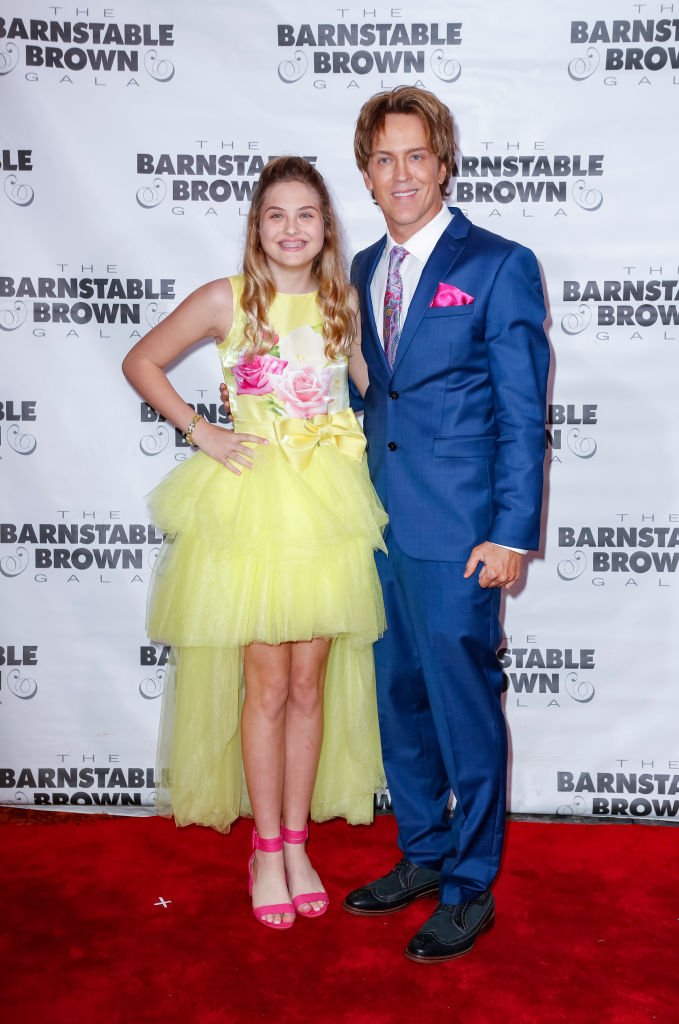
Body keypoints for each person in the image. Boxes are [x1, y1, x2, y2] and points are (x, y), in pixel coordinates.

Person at [122, 156, 387, 930]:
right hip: (255, 513)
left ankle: (299, 843)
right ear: (255, 226)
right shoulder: (225, 300)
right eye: (276, 214)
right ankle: (265, 850)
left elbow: (378, 387)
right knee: (265, 688)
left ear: (326, 226)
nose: (292, 228)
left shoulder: (344, 301)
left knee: (309, 686)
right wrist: (201, 431)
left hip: (326, 515)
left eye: (307, 214)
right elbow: (142, 361)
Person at [340, 87, 550, 963]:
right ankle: (423, 855)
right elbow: (369, 396)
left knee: (464, 712)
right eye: (382, 159)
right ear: (365, 172)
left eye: (415, 156)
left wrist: (508, 534)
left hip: (462, 537)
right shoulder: (357, 269)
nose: (400, 175)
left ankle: (469, 887)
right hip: (374, 529)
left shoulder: (499, 264)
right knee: (398, 706)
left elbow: (520, 412)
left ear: (443, 161)